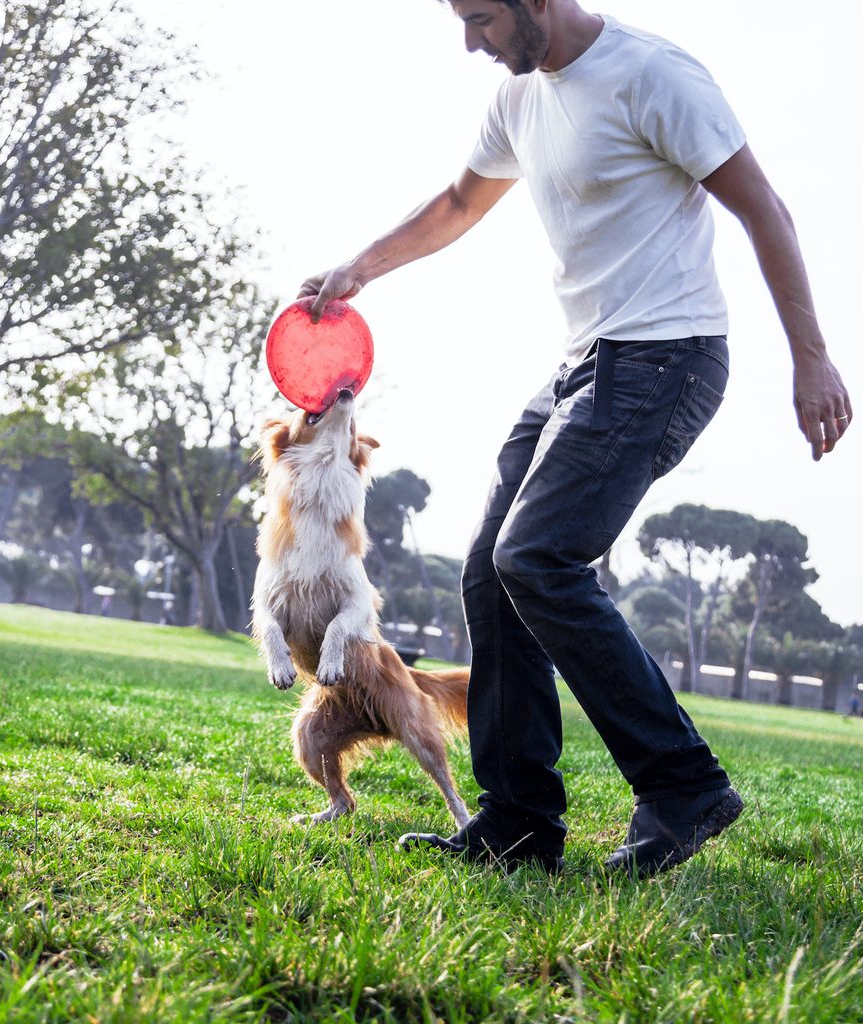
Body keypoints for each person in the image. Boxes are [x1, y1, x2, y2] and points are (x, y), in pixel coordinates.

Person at [298, 0, 852, 877]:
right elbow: (457, 201)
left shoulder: (654, 74)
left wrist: (812, 359)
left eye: (480, 18)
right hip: (583, 364)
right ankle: (518, 820)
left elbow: (764, 208)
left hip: (668, 357)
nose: (470, 42)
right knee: (491, 568)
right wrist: (360, 268)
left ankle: (683, 785)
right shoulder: (521, 97)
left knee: (539, 558)